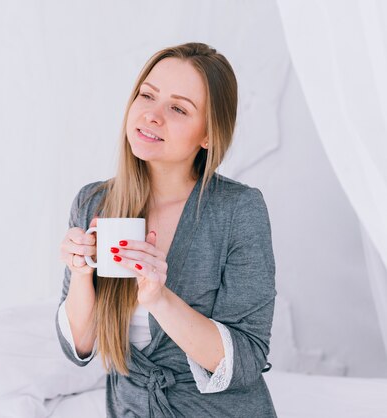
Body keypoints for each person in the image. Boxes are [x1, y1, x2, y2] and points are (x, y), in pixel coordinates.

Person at [55, 42, 277, 417]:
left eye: (177, 108)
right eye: (147, 95)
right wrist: (81, 275)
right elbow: (79, 347)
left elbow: (247, 360)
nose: (152, 115)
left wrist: (159, 299)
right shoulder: (93, 203)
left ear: (208, 134)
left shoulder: (238, 210)